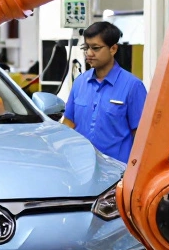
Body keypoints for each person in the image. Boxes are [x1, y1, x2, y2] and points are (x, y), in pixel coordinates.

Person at [63, 21, 148, 164]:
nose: (89, 53)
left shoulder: (133, 86)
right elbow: (68, 124)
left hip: (117, 173)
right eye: (86, 47)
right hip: (81, 166)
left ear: (113, 49)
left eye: (95, 48)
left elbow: (141, 135)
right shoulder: (79, 83)